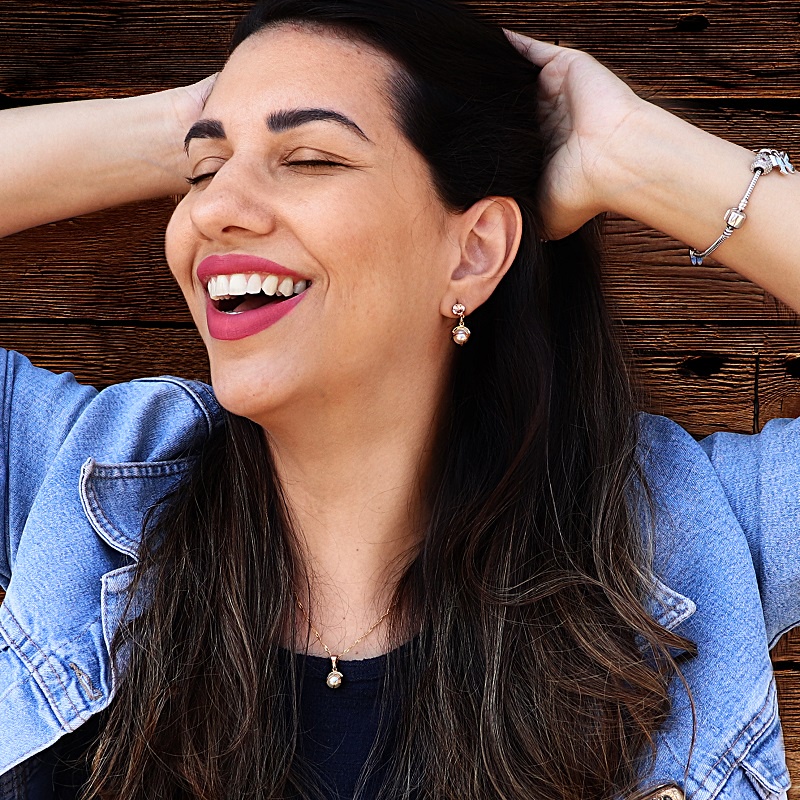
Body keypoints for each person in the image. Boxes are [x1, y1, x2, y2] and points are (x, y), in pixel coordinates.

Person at [0, 1, 798, 799]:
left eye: (309, 158)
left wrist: (629, 150)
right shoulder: (84, 495)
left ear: (473, 252)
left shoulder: (680, 536)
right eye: (203, 173)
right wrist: (172, 128)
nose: (208, 209)